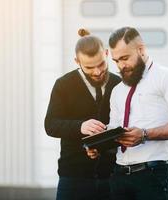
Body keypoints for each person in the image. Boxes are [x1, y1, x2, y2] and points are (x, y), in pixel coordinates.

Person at [93, 27, 168, 200]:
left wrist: (144, 134)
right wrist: (100, 145)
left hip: (152, 175)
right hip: (119, 175)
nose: (121, 66)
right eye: (116, 60)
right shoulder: (117, 90)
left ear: (141, 49)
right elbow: (115, 129)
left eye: (125, 58)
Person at [44, 28, 121, 200]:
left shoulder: (120, 85)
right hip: (73, 178)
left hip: (112, 177)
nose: (97, 71)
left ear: (107, 53)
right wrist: (81, 126)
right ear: (76, 61)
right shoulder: (63, 85)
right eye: (89, 67)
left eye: (101, 64)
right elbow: (50, 125)